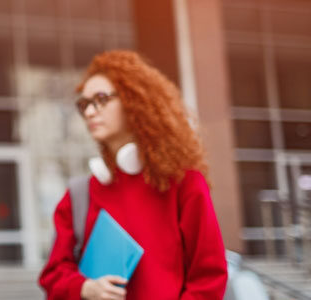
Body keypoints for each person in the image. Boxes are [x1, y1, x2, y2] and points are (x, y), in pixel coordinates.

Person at [38, 50, 228, 300]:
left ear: (133, 101)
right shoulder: (80, 195)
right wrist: (85, 288)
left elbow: (209, 277)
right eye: (84, 104)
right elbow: (53, 276)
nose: (90, 112)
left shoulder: (185, 184)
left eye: (101, 99)